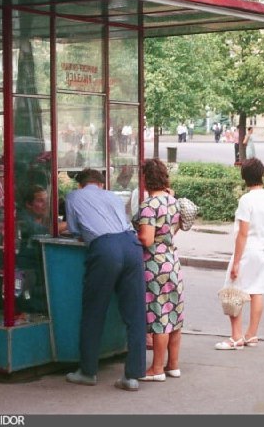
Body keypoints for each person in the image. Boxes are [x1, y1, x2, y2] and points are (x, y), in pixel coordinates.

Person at [58, 168, 146, 392]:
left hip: (105, 248)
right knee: (135, 313)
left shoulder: (74, 197)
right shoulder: (112, 196)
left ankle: (88, 371)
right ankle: (132, 376)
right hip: (132, 246)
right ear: (100, 183)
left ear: (81, 184)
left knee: (94, 311)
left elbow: (75, 229)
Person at [215, 158, 264, 350]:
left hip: (247, 250)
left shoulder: (246, 200)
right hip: (263, 249)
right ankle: (252, 334)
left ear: (244, 178)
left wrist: (236, 262)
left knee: (234, 291)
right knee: (257, 290)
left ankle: (236, 337)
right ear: (262, 174)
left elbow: (243, 233)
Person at [135, 159, 184, 381]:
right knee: (173, 314)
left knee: (159, 316)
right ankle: (172, 365)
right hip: (172, 260)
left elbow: (146, 239)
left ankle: (156, 369)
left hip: (155, 264)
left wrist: (132, 235)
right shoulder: (172, 201)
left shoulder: (149, 205)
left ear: (146, 178)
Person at [16, 184, 50, 313]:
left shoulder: (46, 219)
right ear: (28, 204)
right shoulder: (23, 220)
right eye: (40, 201)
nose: (45, 204)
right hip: (25, 272)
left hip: (41, 270)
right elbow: (41, 231)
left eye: (46, 201)